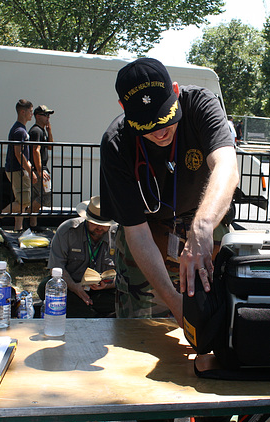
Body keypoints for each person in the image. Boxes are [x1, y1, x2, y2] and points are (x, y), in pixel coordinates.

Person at [100, 57, 239, 326]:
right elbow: (136, 232)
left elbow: (227, 167)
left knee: (220, 314)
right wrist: (174, 303)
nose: (161, 132)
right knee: (139, 330)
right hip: (148, 232)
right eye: (147, 127)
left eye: (165, 119)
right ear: (123, 109)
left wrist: (202, 228)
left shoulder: (200, 104)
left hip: (204, 220)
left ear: (175, 91)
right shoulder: (115, 143)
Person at [37, 196, 117, 318]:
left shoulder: (118, 235)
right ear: (86, 219)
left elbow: (126, 273)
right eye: (95, 223)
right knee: (45, 287)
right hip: (72, 287)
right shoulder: (67, 230)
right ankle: (96, 315)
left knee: (126, 295)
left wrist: (109, 284)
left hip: (103, 291)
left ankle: (83, 313)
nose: (99, 228)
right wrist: (75, 287)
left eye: (104, 225)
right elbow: (56, 267)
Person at [1, 99, 36, 231]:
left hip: (18, 169)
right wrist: (30, 170)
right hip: (17, 169)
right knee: (24, 201)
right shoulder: (19, 131)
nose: (31, 114)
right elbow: (18, 153)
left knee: (21, 200)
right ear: (23, 112)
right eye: (30, 112)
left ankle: (18, 228)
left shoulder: (20, 129)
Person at [28, 104, 54, 229]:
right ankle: (27, 216)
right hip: (39, 169)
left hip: (41, 168)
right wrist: (39, 170)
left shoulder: (42, 131)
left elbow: (50, 146)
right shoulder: (36, 131)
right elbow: (35, 150)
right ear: (37, 116)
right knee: (46, 196)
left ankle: (33, 224)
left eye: (49, 115)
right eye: (45, 115)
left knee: (36, 197)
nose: (48, 117)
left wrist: (49, 131)